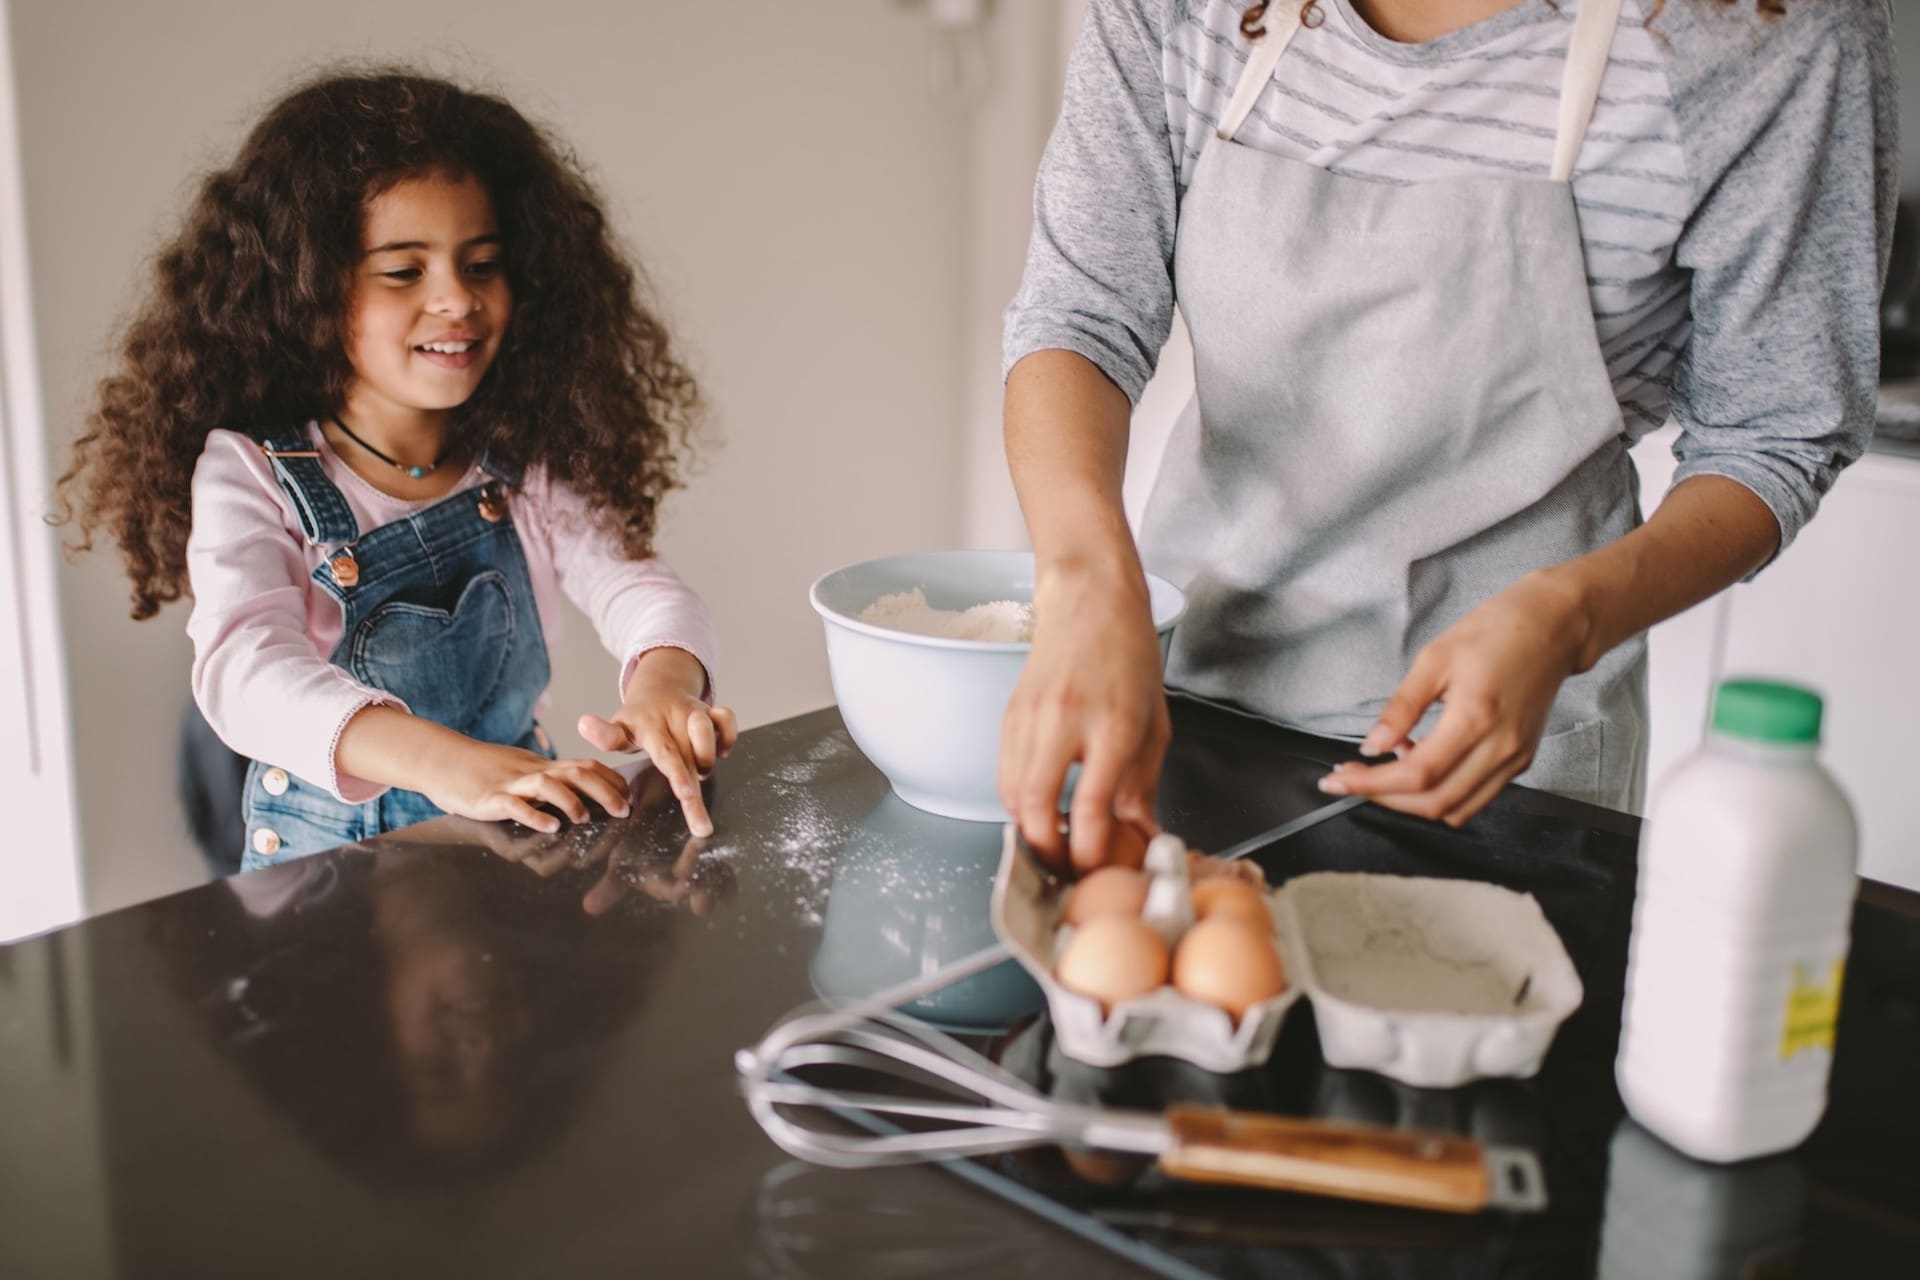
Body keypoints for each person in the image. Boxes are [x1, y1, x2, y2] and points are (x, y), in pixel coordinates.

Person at [998, 0, 1896, 868]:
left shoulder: (1770, 33)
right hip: (1185, 706)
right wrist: (1085, 579)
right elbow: (1081, 313)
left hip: (1501, 760)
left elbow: (1773, 435)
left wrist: (1568, 616)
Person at [55, 70, 735, 871]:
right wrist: (450, 764)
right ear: (311, 288)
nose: (456, 298)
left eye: (481, 264)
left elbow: (637, 586)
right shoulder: (249, 473)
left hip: (507, 862)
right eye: (404, 271)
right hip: (328, 888)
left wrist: (665, 685)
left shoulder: (522, 460)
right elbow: (246, 671)